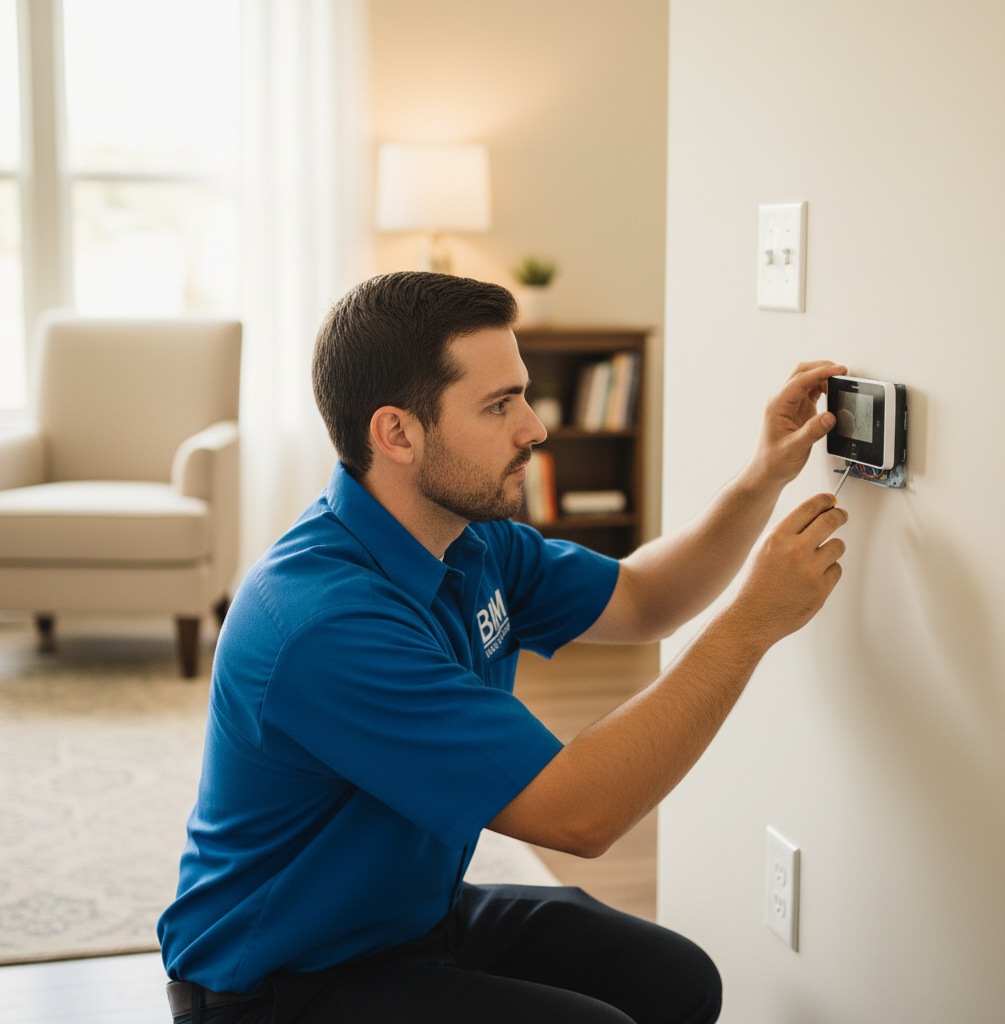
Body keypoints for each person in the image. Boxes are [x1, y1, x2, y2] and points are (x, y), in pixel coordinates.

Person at [158, 272, 848, 1024]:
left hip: (408, 921)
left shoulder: (468, 537)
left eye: (521, 393)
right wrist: (751, 623)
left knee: (678, 981)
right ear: (397, 434)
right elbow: (581, 814)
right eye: (498, 405)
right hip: (280, 981)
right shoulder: (324, 625)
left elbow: (647, 599)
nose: (534, 428)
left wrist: (763, 475)